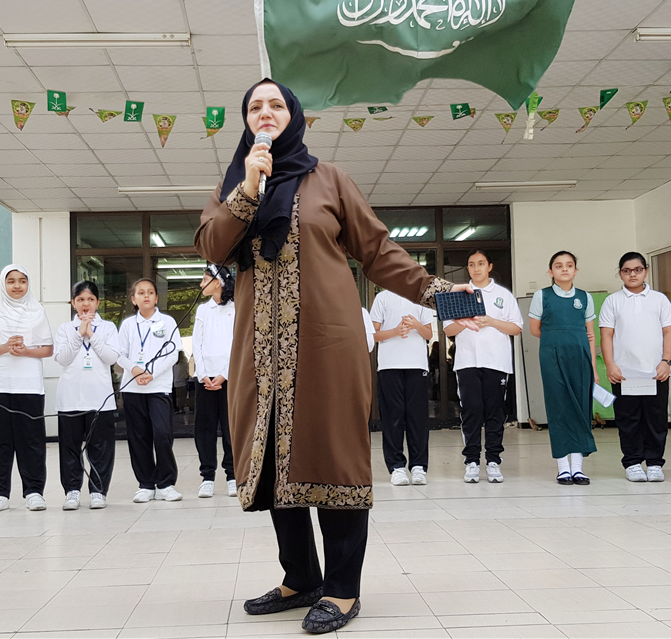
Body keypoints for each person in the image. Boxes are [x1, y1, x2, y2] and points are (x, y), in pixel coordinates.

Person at [195, 78, 475, 634]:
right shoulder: (233, 183)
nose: (266, 112)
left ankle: (343, 590)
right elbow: (212, 247)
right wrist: (248, 187)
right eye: (255, 106)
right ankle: (301, 578)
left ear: (294, 115)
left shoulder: (329, 179)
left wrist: (438, 293)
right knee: (273, 462)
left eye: (276, 104)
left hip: (327, 344)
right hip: (259, 354)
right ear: (246, 120)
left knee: (334, 456)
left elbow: (377, 251)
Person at [443, 250, 523, 484]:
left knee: (495, 412)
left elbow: (516, 328)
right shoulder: (459, 294)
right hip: (467, 363)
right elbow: (448, 330)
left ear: (489, 266)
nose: (476, 268)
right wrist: (465, 320)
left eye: (480, 264)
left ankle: (493, 461)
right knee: (472, 410)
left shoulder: (503, 295)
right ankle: (472, 461)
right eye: (471, 264)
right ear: (467, 268)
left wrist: (491, 321)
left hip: (496, 363)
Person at [0, 265, 54, 513]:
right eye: (11, 281)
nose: (17, 286)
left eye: (22, 280)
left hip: (29, 385)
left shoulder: (37, 312)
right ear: (3, 284)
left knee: (31, 441)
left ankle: (34, 492)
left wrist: (26, 351)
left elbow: (47, 349)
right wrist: (5, 347)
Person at [600, 252, 671, 482]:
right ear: (620, 273)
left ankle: (654, 463)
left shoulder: (660, 300)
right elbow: (606, 335)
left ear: (646, 271)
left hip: (655, 372)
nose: (632, 274)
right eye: (626, 270)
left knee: (656, 419)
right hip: (624, 373)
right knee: (628, 419)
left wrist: (666, 361)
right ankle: (632, 462)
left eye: (637, 270)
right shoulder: (612, 301)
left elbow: (669, 332)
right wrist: (610, 365)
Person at [529, 251, 598, 485]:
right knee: (558, 408)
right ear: (551, 271)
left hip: (580, 358)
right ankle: (563, 468)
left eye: (569, 265)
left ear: (576, 270)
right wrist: (558, 340)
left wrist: (593, 367)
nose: (564, 269)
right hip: (552, 357)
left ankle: (577, 468)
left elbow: (590, 334)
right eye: (558, 266)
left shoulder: (585, 297)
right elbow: (535, 330)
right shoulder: (542, 295)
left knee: (580, 408)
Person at [53, 280, 119, 510]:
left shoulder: (108, 328)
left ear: (98, 302)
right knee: (70, 447)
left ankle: (98, 491)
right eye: (80, 299)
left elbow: (111, 357)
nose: (85, 304)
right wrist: (78, 334)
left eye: (90, 299)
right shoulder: (64, 329)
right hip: (70, 398)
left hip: (100, 399)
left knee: (101, 448)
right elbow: (62, 358)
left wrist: (91, 334)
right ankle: (72, 491)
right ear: (73, 303)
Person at [117, 278, 183, 503]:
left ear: (156, 298)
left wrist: (151, 373)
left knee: (162, 434)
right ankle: (145, 484)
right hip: (133, 388)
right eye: (141, 293)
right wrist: (135, 370)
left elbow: (172, 354)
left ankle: (165, 483)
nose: (146, 296)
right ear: (133, 299)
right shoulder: (128, 325)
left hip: (159, 387)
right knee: (138, 437)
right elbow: (119, 354)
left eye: (150, 292)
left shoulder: (167, 321)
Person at [370, 289, 434, 487]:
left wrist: (416, 325)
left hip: (417, 365)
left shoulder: (421, 297)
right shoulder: (382, 297)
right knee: (392, 418)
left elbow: (429, 333)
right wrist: (396, 331)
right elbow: (373, 334)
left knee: (418, 418)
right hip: (389, 366)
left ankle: (418, 467)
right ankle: (396, 467)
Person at [192, 264, 237, 499]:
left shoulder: (236, 308)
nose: (201, 284)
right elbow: (196, 344)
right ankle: (207, 477)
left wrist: (224, 374)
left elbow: (237, 344)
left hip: (229, 378)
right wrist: (203, 375)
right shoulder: (202, 310)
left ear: (218, 282)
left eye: (205, 279)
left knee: (231, 429)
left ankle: (232, 476)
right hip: (205, 379)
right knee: (205, 429)